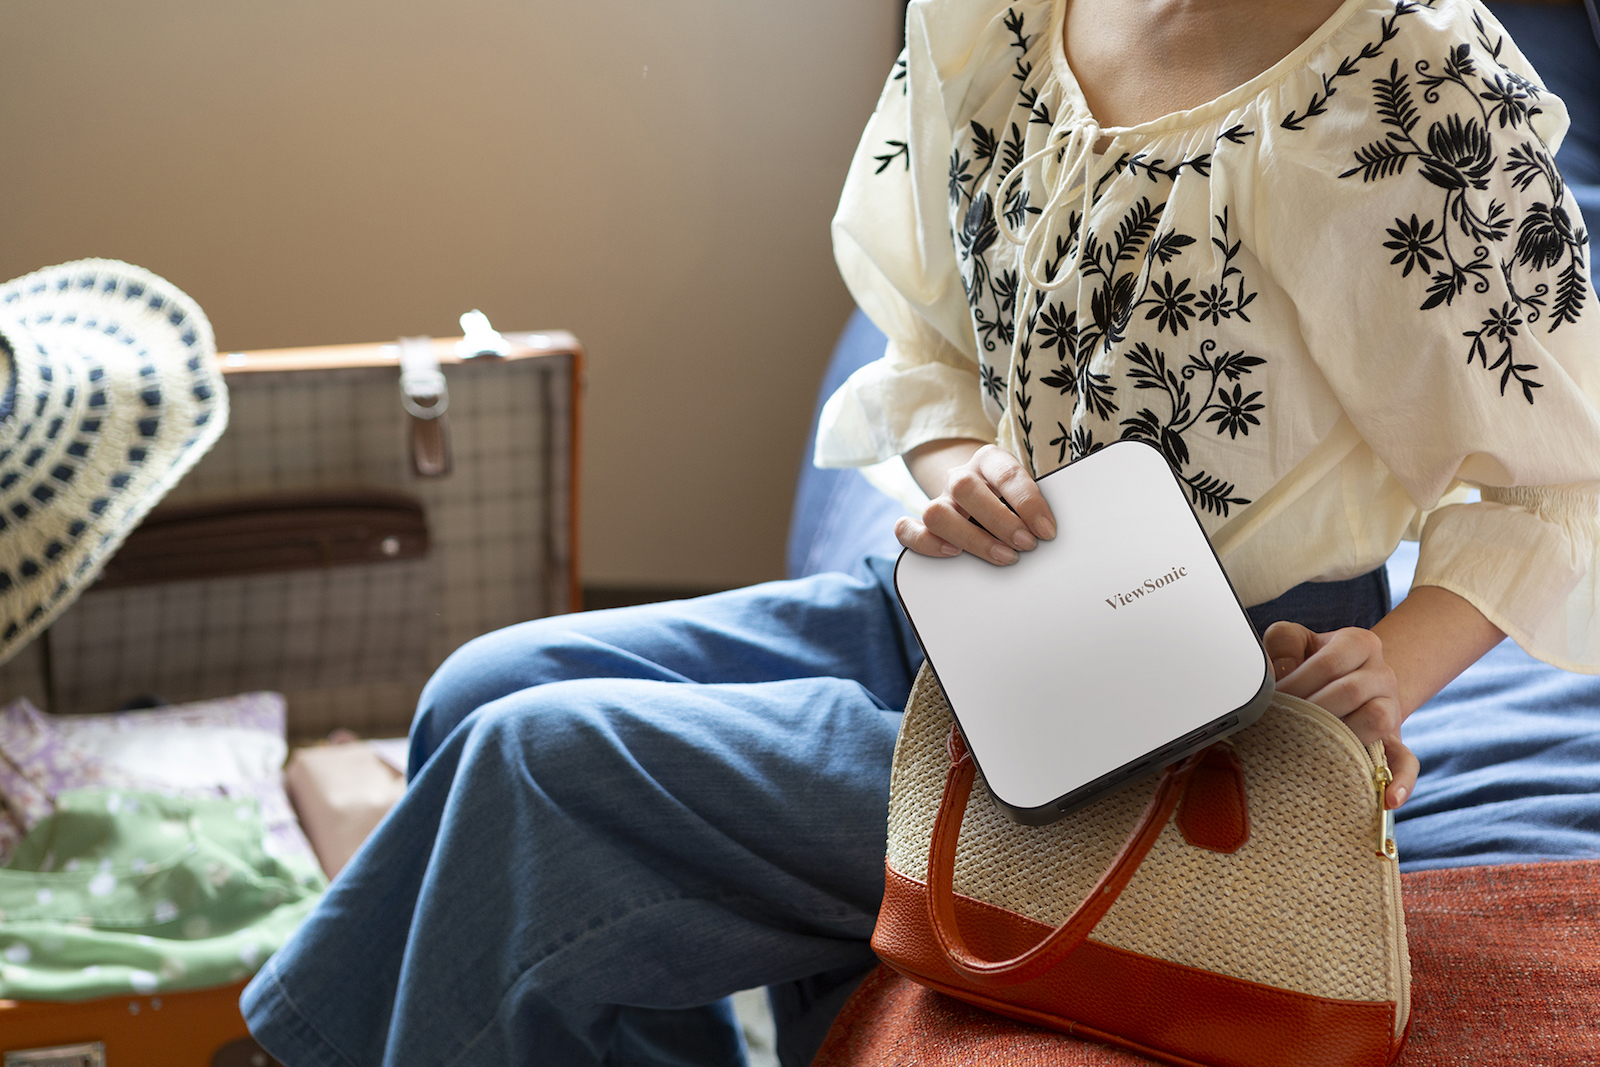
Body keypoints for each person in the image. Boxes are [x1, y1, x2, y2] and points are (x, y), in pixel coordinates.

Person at [241, 0, 1599, 1064]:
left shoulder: (1415, 97)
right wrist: (967, 467)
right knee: (477, 689)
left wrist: (1395, 663)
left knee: (537, 770)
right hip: (975, 602)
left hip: (1176, 736)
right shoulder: (996, 17)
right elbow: (931, 337)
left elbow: (1567, 479)